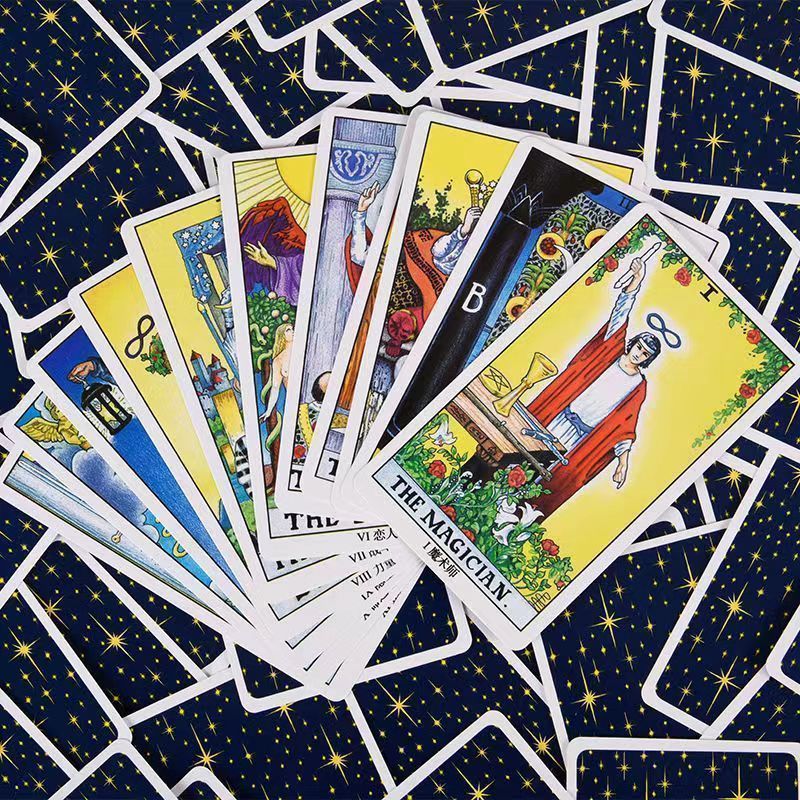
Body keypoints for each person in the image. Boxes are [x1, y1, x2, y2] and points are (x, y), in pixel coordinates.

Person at [526, 255, 661, 517]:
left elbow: (625, 426)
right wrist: (636, 281)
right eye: (639, 347)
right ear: (632, 344)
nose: (638, 353)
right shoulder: (609, 351)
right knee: (523, 455)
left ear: (648, 359)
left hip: (579, 439)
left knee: (544, 478)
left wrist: (622, 463)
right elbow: (620, 314)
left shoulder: (638, 386)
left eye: (645, 353)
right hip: (557, 420)